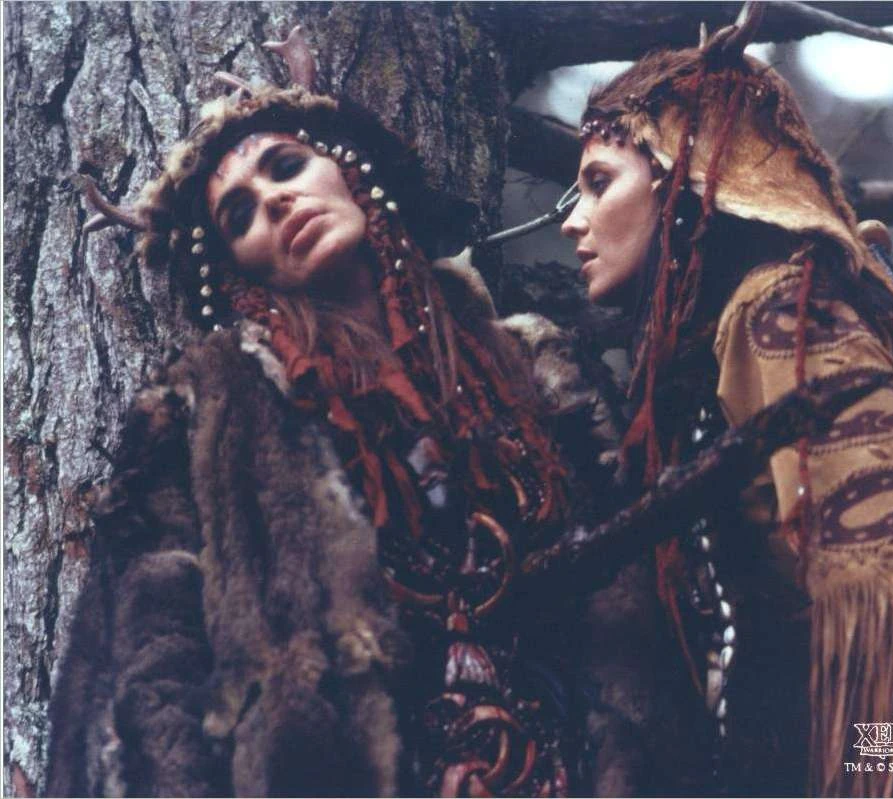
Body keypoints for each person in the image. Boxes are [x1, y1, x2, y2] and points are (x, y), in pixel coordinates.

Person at [45, 31, 652, 798]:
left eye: (285, 166)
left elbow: (634, 606)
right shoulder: (214, 415)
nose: (274, 201)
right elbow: (153, 667)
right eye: (240, 214)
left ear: (349, 170)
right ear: (237, 268)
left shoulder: (531, 368)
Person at [559, 18, 893, 799]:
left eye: (597, 182)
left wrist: (886, 773)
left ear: (685, 176)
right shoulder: (737, 320)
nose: (571, 220)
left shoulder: (784, 310)